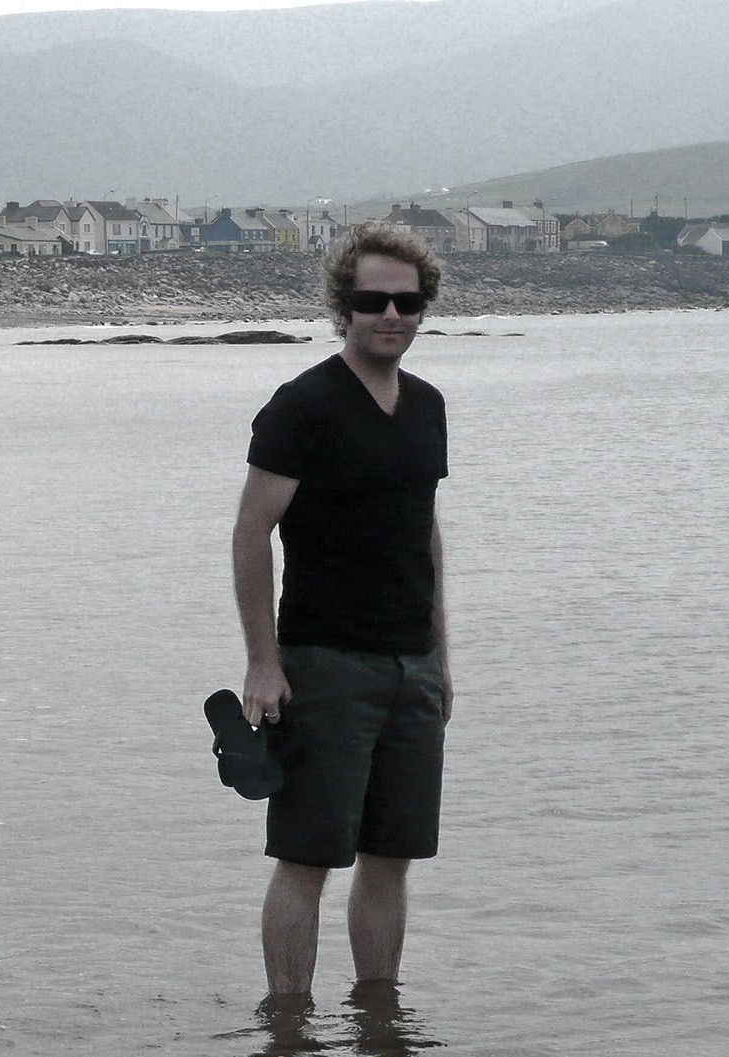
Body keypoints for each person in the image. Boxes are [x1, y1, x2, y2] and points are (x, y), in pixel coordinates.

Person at [231, 222, 451, 997]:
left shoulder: (427, 407)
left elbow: (424, 533)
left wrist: (441, 662)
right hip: (323, 664)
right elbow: (252, 528)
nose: (390, 313)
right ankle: (288, 1027)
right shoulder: (304, 406)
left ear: (423, 306)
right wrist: (263, 663)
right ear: (343, 307)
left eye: (406, 300)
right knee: (307, 860)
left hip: (411, 670)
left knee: (391, 858)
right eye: (372, 299)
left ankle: (378, 1021)